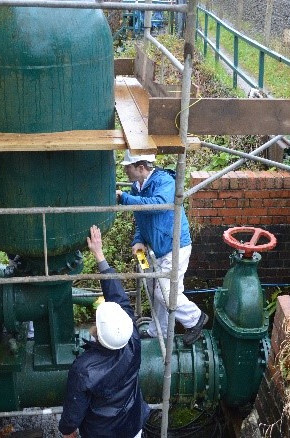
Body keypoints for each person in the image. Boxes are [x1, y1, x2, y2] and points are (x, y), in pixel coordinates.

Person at [58, 225, 150, 438]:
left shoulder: (84, 370)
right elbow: (118, 296)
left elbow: (74, 410)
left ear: (97, 331)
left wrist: (67, 430)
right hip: (132, 426)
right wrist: (99, 255)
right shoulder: (132, 339)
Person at [115, 151, 208, 346]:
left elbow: (158, 205)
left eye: (128, 166)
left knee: (165, 292)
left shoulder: (164, 181)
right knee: (153, 286)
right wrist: (138, 240)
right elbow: (141, 216)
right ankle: (158, 331)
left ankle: (195, 319)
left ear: (141, 168)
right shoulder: (136, 187)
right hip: (154, 249)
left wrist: (124, 198)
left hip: (174, 247)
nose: (125, 170)